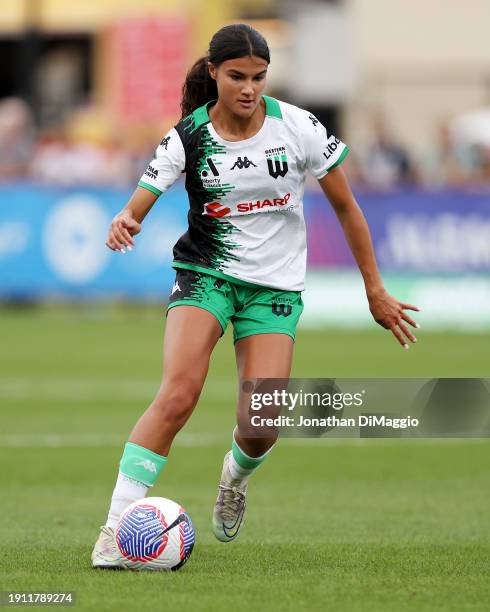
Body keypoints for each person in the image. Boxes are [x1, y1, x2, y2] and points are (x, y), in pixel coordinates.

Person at [91, 23, 420, 568]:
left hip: (275, 287)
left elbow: (348, 210)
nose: (249, 88)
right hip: (207, 273)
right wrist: (127, 218)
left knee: (262, 423)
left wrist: (375, 289)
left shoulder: (299, 128)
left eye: (259, 78)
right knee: (178, 394)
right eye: (237, 77)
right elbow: (141, 198)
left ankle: (233, 478)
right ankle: (115, 529)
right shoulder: (188, 136)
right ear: (215, 73)